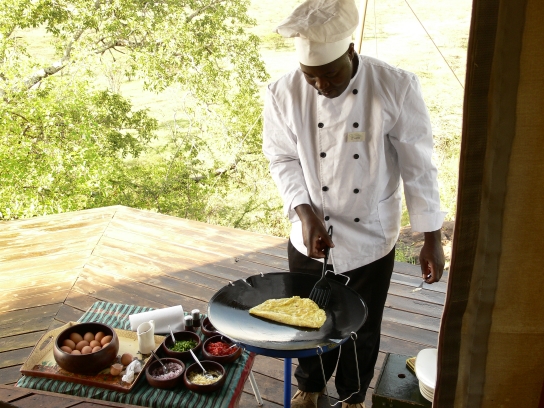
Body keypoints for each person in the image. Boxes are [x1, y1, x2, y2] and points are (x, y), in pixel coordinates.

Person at [262, 0, 446, 407]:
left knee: (361, 325)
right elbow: (282, 158)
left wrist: (431, 238)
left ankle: (352, 396)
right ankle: (311, 387)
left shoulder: (395, 86)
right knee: (306, 318)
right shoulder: (282, 92)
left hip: (370, 236)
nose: (321, 86)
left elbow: (419, 166)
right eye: (311, 77)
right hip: (308, 232)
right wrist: (304, 212)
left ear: (350, 52)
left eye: (330, 74)